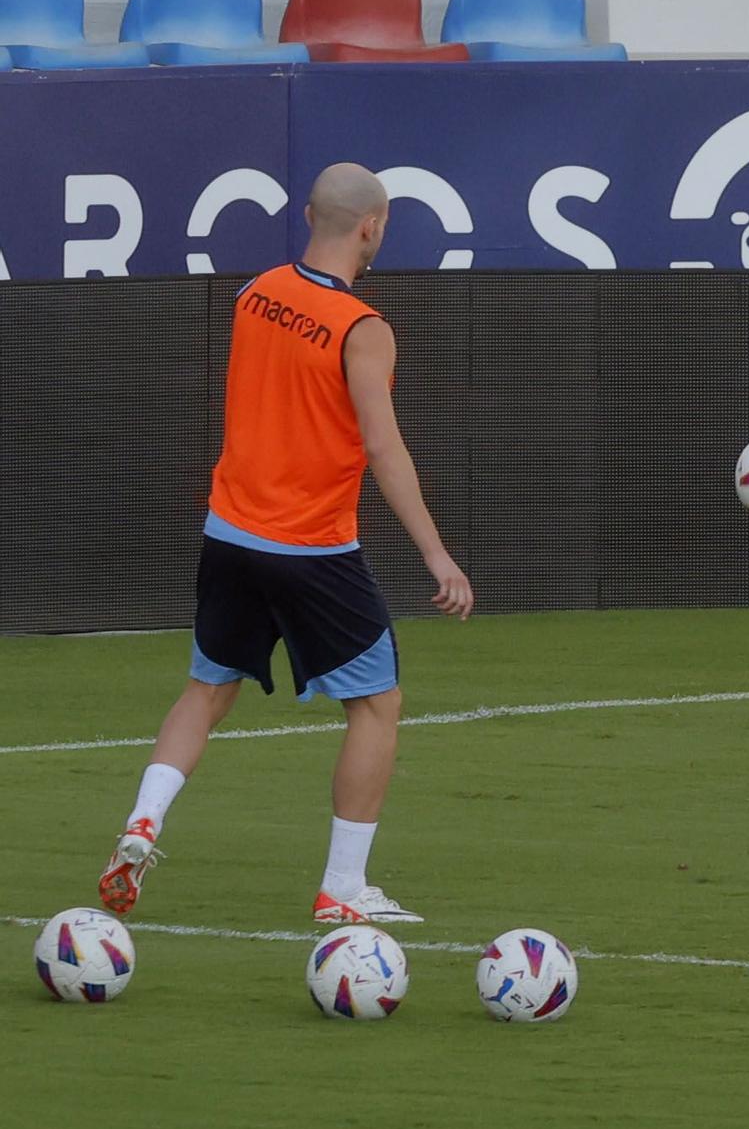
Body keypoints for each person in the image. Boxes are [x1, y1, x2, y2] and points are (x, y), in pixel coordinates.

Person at [96, 164, 474, 927]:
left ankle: (143, 822)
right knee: (377, 704)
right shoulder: (363, 329)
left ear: (309, 214)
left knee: (206, 690)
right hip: (310, 548)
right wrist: (437, 554)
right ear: (371, 227)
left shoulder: (254, 293)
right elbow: (384, 447)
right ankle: (342, 888)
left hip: (228, 532)